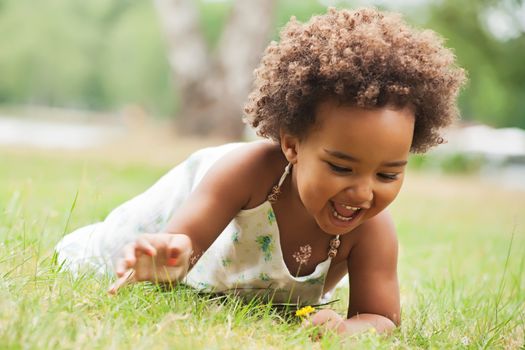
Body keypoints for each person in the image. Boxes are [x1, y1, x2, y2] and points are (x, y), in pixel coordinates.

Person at [55, 7, 466, 337]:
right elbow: (180, 246)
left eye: (388, 175)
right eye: (342, 167)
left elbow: (381, 317)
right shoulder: (247, 172)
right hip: (154, 227)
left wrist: (350, 329)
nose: (362, 193)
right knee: (110, 256)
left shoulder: (372, 228)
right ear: (292, 144)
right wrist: (168, 256)